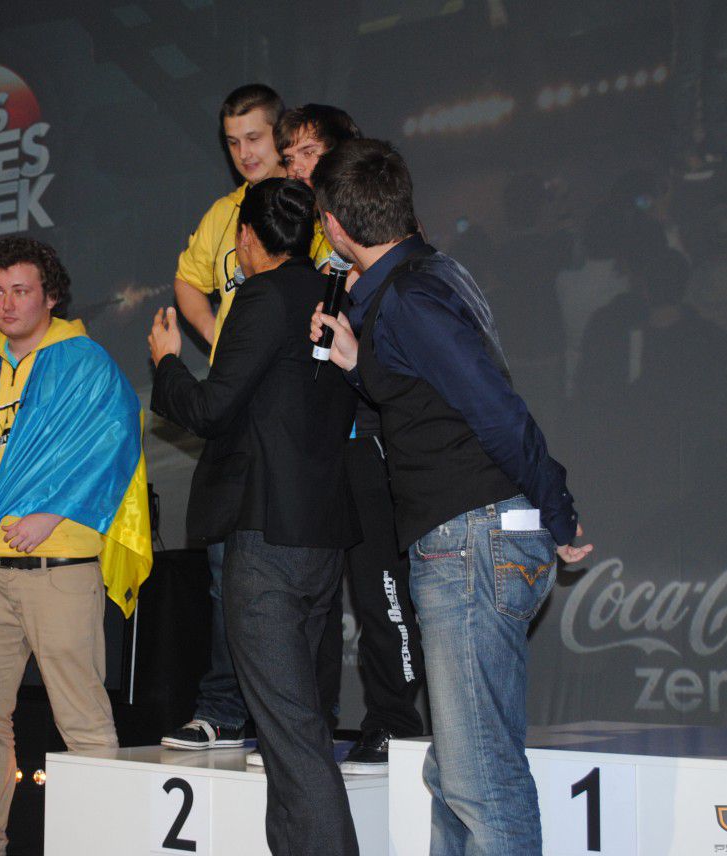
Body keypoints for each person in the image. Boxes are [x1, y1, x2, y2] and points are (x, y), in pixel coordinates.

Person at [310, 139, 592, 855]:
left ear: (336, 227)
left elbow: (495, 409)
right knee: (458, 774)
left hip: (470, 540)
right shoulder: (428, 279)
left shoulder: (409, 298)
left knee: (479, 782)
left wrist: (557, 508)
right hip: (479, 537)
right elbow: (428, 397)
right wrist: (357, 364)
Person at [0, 236, 151, 856]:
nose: (8, 303)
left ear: (51, 296)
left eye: (21, 291)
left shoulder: (87, 363)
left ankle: (101, 848)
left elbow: (115, 447)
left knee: (84, 721)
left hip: (59, 567)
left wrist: (54, 513)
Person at [151, 177, 361, 856]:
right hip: (320, 536)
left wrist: (167, 365)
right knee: (295, 732)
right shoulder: (334, 293)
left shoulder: (262, 296)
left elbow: (212, 409)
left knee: (291, 739)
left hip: (267, 539)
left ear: (245, 236)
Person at [163, 83, 335, 753]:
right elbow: (187, 281)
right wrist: (218, 338)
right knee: (224, 576)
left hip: (297, 417)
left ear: (282, 137)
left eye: (256, 138)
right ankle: (224, 709)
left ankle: (293, 722)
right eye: (232, 142)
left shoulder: (312, 209)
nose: (244, 153)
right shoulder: (223, 215)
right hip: (239, 408)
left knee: (296, 588)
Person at [277, 104, 428, 774]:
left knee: (379, 589)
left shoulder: (382, 244)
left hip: (372, 440)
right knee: (309, 592)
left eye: (308, 152)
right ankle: (306, 722)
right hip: (321, 444)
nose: (295, 166)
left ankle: (395, 721)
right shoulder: (307, 238)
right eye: (289, 155)